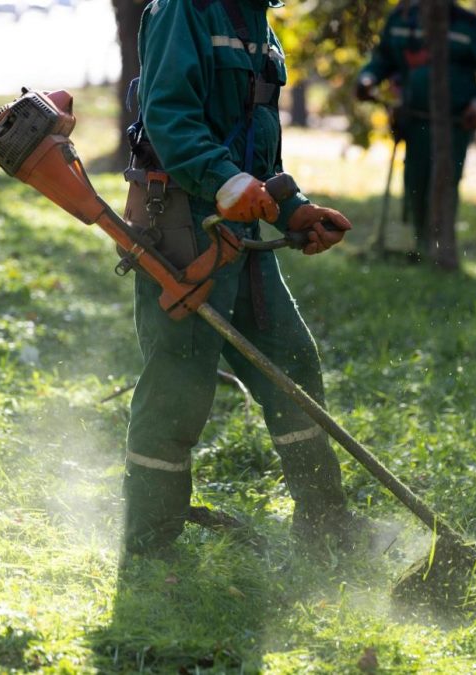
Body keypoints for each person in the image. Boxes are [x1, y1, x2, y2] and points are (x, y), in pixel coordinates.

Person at [122, 0, 356, 557]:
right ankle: (151, 539)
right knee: (179, 379)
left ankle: (325, 523)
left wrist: (291, 209)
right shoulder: (184, 10)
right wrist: (226, 181)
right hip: (186, 223)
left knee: (291, 362)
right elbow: (170, 116)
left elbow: (255, 143)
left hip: (241, 233)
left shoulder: (255, 20)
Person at [356, 0, 476, 260]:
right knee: (414, 180)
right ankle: (418, 243)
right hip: (413, 120)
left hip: (454, 125)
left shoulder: (469, 25)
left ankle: (441, 247)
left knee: (445, 181)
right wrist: (367, 79)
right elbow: (383, 59)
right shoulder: (401, 18)